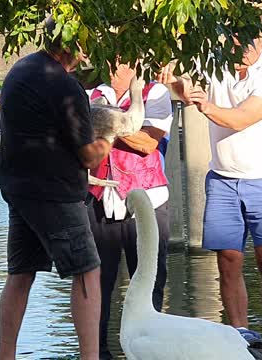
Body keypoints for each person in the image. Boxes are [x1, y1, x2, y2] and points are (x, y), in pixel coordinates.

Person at [158, 35, 262, 359]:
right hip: (222, 180)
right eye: (239, 39)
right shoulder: (213, 66)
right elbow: (184, 90)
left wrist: (204, 104)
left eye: (252, 41)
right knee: (228, 259)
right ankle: (240, 335)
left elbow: (240, 119)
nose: (245, 47)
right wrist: (178, 86)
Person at [0, 18, 111, 360]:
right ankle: (90, 356)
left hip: (18, 189)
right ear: (74, 45)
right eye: (86, 40)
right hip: (54, 193)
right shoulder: (64, 86)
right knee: (88, 270)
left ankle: (6, 356)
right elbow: (89, 157)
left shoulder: (22, 68)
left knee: (20, 273)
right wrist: (108, 140)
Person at [86, 62, 173, 360]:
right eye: (107, 60)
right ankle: (97, 353)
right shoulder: (94, 95)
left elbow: (148, 142)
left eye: (120, 62)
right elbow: (80, 141)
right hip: (102, 201)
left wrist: (103, 123)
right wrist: (120, 123)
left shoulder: (155, 92)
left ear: (136, 65)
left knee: (149, 281)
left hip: (147, 204)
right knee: (97, 283)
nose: (111, 68)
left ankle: (150, 351)